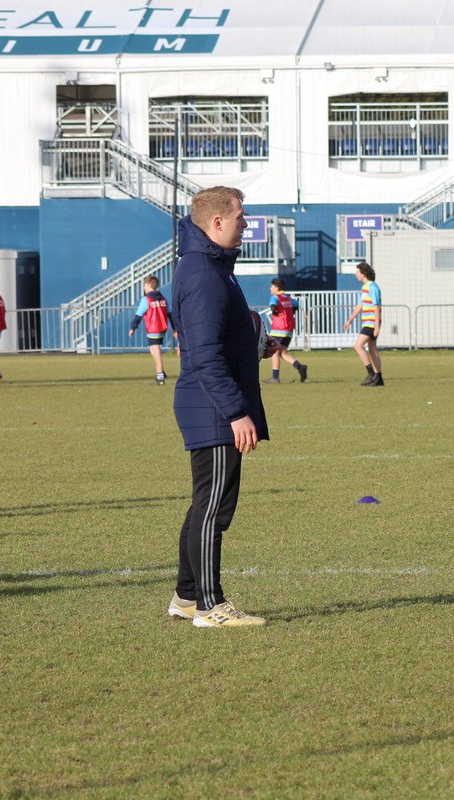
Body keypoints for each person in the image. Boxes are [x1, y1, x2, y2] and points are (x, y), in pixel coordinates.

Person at [167, 185, 271, 628]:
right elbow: (204, 354)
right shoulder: (204, 272)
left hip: (212, 402)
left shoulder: (211, 267)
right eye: (241, 216)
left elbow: (215, 340)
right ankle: (211, 607)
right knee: (214, 508)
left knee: (205, 505)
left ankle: (187, 597)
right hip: (212, 407)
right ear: (216, 222)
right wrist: (235, 411)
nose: (246, 223)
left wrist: (254, 346)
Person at [128, 275, 172, 385]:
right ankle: (161, 371)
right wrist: (175, 328)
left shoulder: (146, 299)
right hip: (162, 327)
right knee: (153, 350)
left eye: (144, 285)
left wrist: (133, 328)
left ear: (148, 285)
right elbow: (170, 314)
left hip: (153, 328)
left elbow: (138, 315)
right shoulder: (163, 298)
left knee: (156, 351)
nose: (144, 288)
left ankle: (160, 376)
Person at [345, 262, 383, 387]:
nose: (356, 275)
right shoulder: (365, 287)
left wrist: (377, 326)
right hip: (368, 322)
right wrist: (350, 319)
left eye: (357, 272)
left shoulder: (372, 287)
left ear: (363, 274)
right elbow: (360, 305)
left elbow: (376, 306)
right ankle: (379, 378)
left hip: (372, 322)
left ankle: (371, 373)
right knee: (372, 350)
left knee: (358, 346)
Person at [265, 278, 309, 384]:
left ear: (276, 287)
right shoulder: (288, 298)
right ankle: (300, 367)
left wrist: (275, 313)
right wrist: (290, 312)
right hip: (288, 329)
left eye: (272, 286)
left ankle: (275, 378)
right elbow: (296, 305)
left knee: (274, 351)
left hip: (278, 329)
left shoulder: (275, 297)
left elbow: (273, 307)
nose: (270, 288)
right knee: (283, 352)